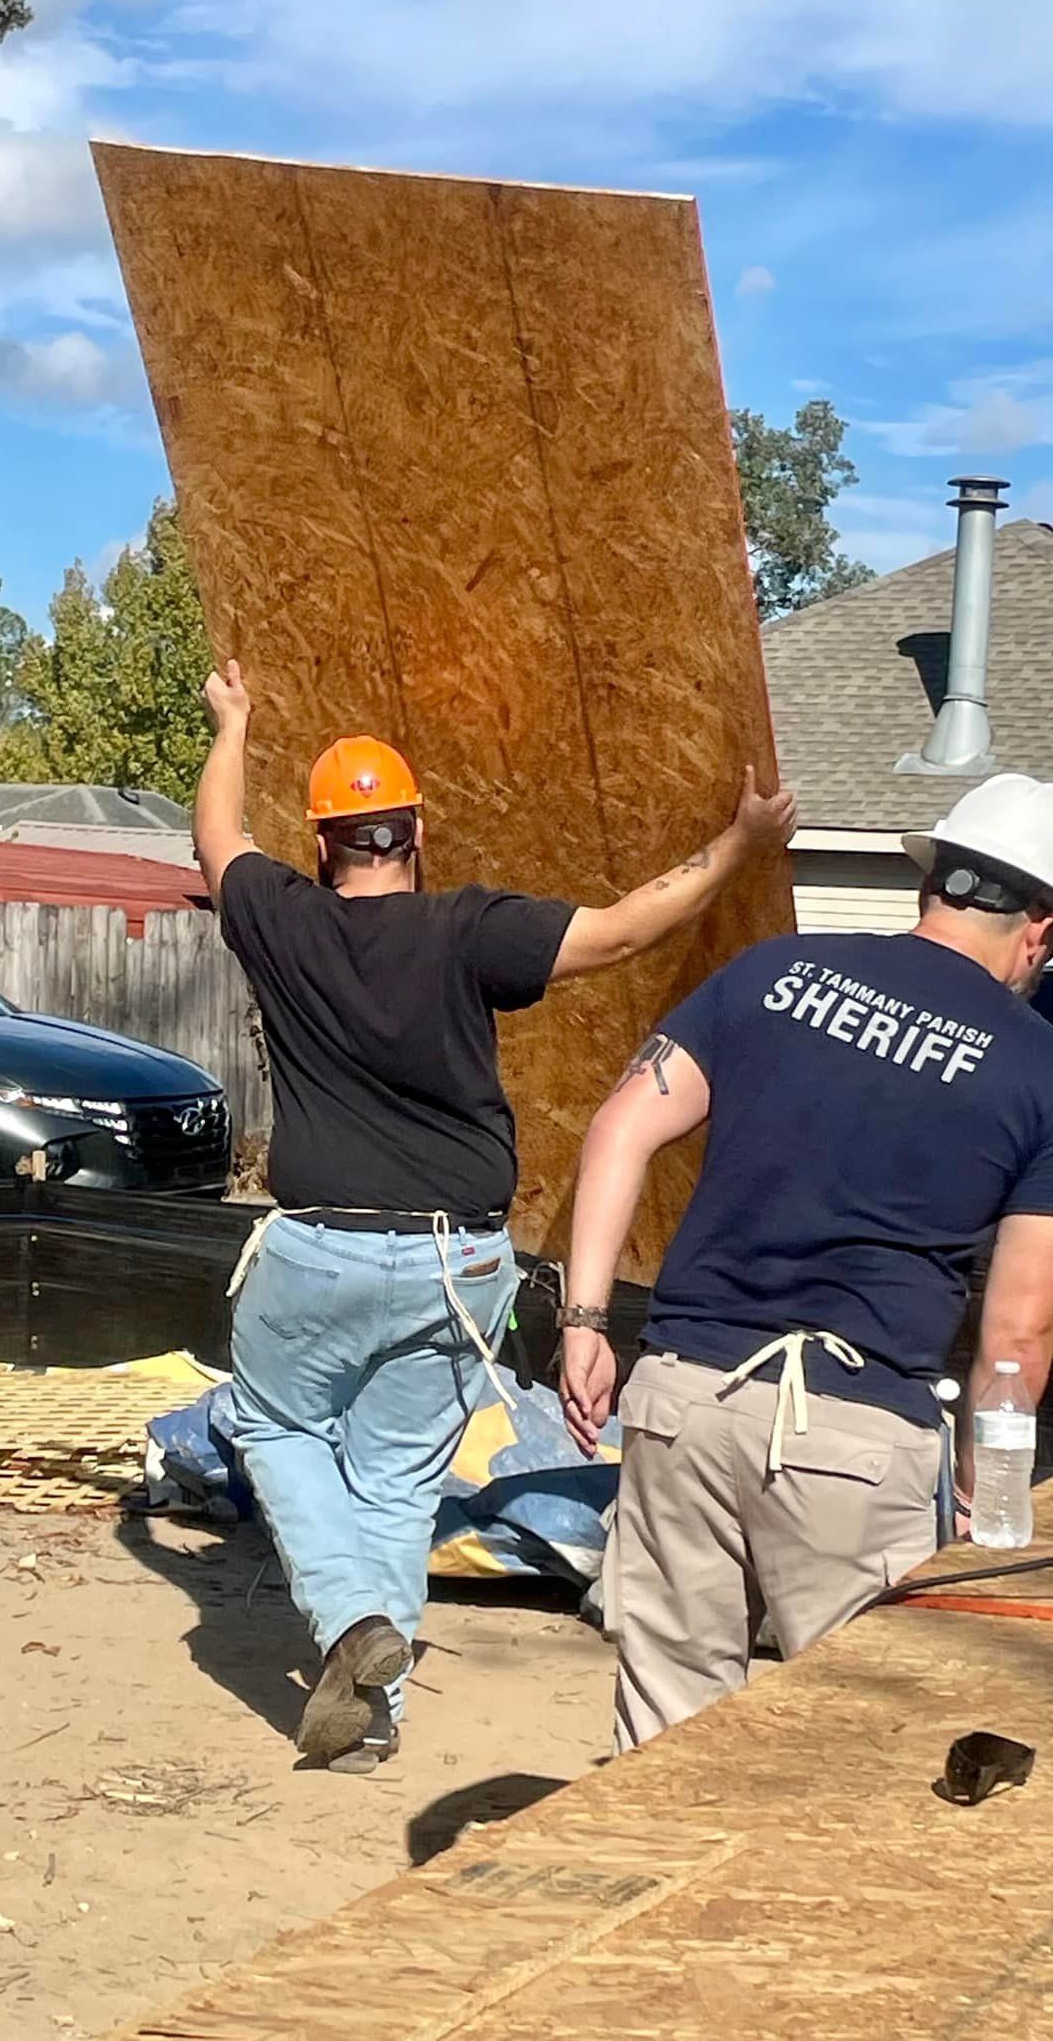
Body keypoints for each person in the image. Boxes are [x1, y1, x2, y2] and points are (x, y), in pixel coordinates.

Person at [192, 657, 797, 1771]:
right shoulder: (469, 929)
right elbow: (622, 930)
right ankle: (373, 1714)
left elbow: (217, 835)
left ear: (324, 844)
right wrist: (741, 845)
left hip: (318, 1247)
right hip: (458, 1260)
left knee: (276, 1426)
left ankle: (347, 1627)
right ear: (414, 833)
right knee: (399, 1480)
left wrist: (232, 722)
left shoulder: (280, 916)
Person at [562, 772, 1053, 1753]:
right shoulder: (1036, 1061)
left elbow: (618, 1127)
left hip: (678, 1402)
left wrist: (584, 1322)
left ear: (934, 885)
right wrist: (993, 1502)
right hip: (852, 1435)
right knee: (869, 1743)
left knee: (665, 1737)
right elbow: (1018, 1329)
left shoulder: (772, 972)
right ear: (1038, 929)